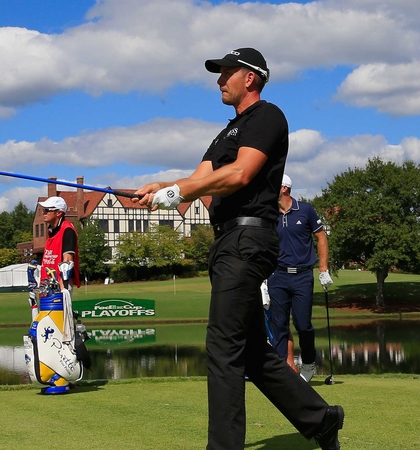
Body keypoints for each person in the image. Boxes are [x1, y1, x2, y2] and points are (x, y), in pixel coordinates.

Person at [133, 48, 343, 449]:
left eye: (225, 72)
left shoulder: (268, 116)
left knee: (222, 345)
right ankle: (321, 419)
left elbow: (242, 173)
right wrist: (160, 188)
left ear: (250, 77)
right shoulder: (226, 132)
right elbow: (201, 178)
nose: (218, 80)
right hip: (227, 242)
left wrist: (180, 190)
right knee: (248, 350)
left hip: (249, 239)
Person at [267, 174, 333, 382]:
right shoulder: (269, 214)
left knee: (303, 325)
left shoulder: (305, 210)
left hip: (303, 276)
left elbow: (321, 237)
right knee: (278, 324)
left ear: (285, 188)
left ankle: (309, 362)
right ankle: (280, 369)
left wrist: (323, 269)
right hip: (277, 275)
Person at [38, 196, 80, 291]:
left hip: (59, 286)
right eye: (44, 209)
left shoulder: (67, 230)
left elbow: (67, 262)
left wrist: (62, 289)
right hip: (47, 285)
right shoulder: (51, 231)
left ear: (59, 213)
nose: (43, 212)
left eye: (47, 210)